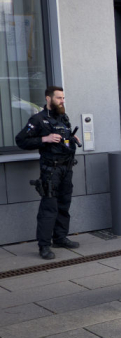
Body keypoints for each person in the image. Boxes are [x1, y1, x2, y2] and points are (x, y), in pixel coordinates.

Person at [15, 86, 81, 260]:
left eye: (63, 98)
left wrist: (71, 139)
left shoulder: (63, 118)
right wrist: (44, 139)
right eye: (59, 98)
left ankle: (60, 237)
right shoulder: (38, 120)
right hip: (50, 170)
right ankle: (44, 246)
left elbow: (63, 139)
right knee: (48, 208)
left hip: (66, 169)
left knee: (64, 204)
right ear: (48, 99)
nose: (62, 101)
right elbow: (21, 140)